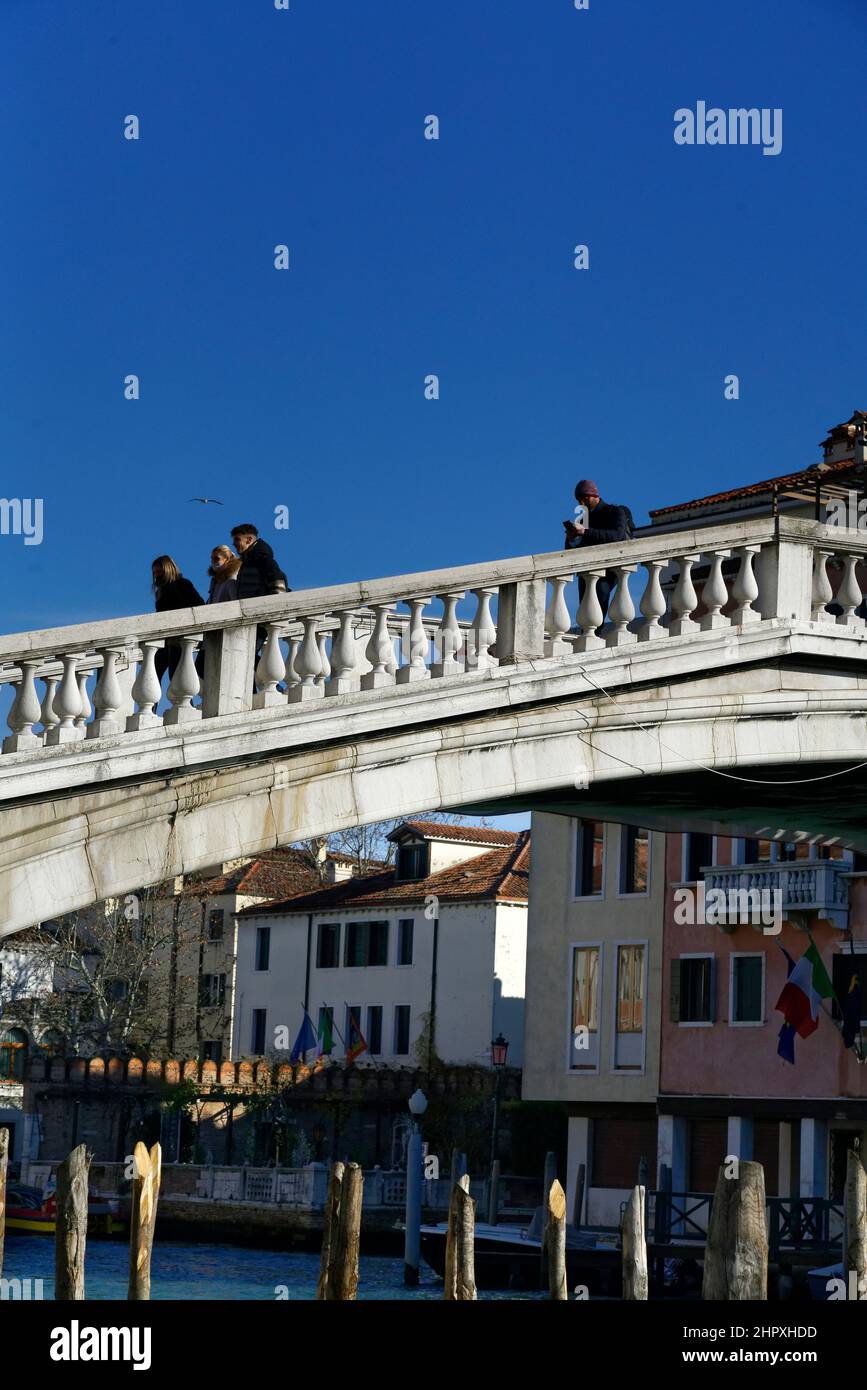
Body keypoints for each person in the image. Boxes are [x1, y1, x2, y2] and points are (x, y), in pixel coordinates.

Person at [563, 479, 633, 623]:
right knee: (585, 608)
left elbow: (617, 535)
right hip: (587, 570)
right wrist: (571, 539)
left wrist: (585, 532)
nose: (582, 504)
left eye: (585, 498)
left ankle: (596, 635)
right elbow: (571, 550)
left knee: (600, 595)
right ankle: (586, 634)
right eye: (579, 500)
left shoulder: (615, 511)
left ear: (595, 496)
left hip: (609, 569)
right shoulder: (583, 519)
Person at [151, 556, 206, 686]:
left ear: (168, 569)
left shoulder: (182, 584)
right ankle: (151, 707)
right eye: (154, 573)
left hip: (179, 638)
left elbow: (199, 605)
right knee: (153, 674)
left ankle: (187, 706)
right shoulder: (160, 591)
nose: (156, 575)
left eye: (159, 572)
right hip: (165, 639)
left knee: (175, 675)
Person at [229, 524, 289, 601]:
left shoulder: (263, 559)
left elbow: (278, 583)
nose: (233, 543)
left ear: (249, 540)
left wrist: (275, 604)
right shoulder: (246, 563)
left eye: (237, 539)